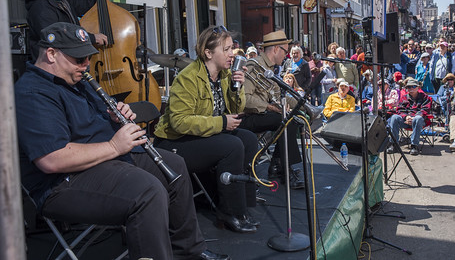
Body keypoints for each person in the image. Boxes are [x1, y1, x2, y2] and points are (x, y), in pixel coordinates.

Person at [15, 22, 228, 260]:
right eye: (78, 59)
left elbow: (93, 124)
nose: (86, 65)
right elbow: (52, 160)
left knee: (176, 168)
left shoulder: (77, 80)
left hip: (105, 160)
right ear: (51, 54)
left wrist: (115, 117)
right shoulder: (33, 93)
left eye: (87, 57)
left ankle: (188, 251)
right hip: (62, 182)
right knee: (148, 191)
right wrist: (114, 146)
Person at [153, 25, 259, 234]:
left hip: (201, 135)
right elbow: (179, 122)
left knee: (248, 139)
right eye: (226, 49)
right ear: (208, 53)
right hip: (174, 141)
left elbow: (236, 111)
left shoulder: (224, 75)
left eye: (232, 48)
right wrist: (221, 123)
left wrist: (238, 88)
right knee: (233, 145)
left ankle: (241, 207)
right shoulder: (188, 77)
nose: (232, 54)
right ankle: (228, 212)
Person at [240, 31, 304, 189]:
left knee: (290, 118)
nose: (287, 55)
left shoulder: (270, 69)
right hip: (245, 117)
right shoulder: (254, 66)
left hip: (261, 115)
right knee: (283, 119)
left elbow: (278, 94)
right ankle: (284, 169)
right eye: (285, 51)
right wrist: (269, 106)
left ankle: (277, 165)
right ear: (276, 49)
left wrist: (302, 103)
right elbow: (245, 100)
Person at [386, 78, 432, 155]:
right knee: (394, 117)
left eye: (413, 86)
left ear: (418, 87)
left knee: (418, 119)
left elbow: (425, 110)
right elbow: (400, 109)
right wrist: (406, 117)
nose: (411, 88)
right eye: (409, 87)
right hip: (406, 120)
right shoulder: (404, 97)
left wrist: (414, 117)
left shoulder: (425, 97)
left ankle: (414, 146)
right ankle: (394, 144)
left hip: (419, 121)